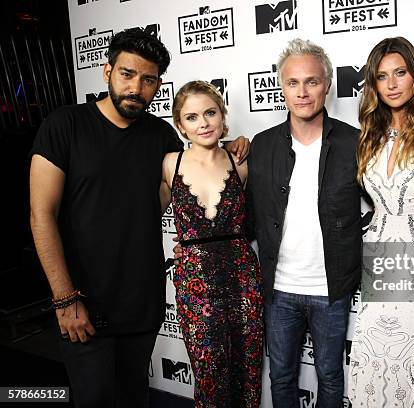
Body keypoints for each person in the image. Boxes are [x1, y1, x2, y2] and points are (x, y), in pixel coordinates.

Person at [29, 28, 248, 408]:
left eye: (148, 80)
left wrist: (232, 147)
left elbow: (196, 165)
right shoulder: (64, 125)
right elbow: (40, 215)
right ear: (107, 71)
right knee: (95, 399)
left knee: (134, 397)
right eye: (127, 74)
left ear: (157, 85)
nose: (136, 88)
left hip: (141, 303)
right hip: (82, 301)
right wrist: (64, 300)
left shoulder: (162, 137)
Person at [248, 38, 362, 407]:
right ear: (281, 87)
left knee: (330, 375)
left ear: (327, 84)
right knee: (281, 376)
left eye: (312, 81)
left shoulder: (354, 142)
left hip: (331, 289)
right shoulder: (261, 145)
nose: (302, 92)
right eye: (293, 82)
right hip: (279, 290)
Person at [348, 37, 414, 408]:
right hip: (378, 260)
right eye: (382, 76)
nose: (392, 84)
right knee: (377, 354)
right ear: (374, 84)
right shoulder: (367, 135)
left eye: (400, 73)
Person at [160, 81, 263, 407]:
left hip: (242, 280)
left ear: (222, 117)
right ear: (180, 125)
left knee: (247, 371)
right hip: (196, 285)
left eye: (210, 113)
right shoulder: (169, 164)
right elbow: (144, 219)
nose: (203, 123)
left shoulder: (241, 162)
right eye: (192, 117)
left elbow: (262, 216)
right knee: (209, 373)